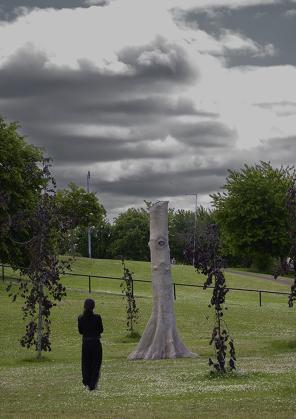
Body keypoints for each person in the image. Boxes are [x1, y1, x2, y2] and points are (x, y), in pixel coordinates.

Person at [78, 298, 103, 391]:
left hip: (86, 343)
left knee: (86, 363)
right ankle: (93, 383)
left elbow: (80, 331)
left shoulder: (81, 318)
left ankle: (87, 382)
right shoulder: (97, 317)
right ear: (93, 307)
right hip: (96, 342)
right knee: (96, 363)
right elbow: (101, 329)